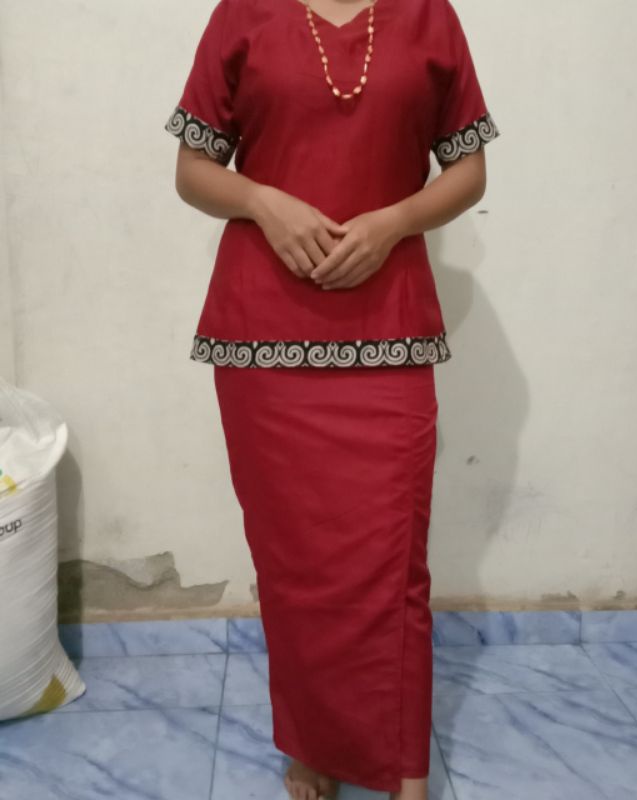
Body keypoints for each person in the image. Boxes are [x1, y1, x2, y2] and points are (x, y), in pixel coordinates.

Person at [164, 0, 499, 797]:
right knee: (295, 563)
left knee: (392, 561)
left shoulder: (427, 16)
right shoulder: (243, 14)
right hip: (262, 337)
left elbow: (469, 170)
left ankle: (403, 769)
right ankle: (314, 741)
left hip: (390, 330)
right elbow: (192, 169)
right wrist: (261, 201)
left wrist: (395, 222)